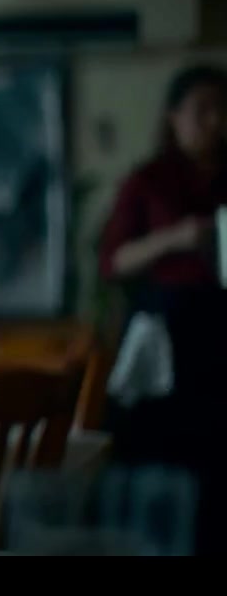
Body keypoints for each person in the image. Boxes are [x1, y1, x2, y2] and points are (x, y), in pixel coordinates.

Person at [97, 63, 227, 555]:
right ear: (174, 116)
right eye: (203, 109)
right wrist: (175, 237)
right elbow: (113, 260)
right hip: (168, 334)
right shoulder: (149, 180)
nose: (215, 121)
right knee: (161, 459)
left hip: (222, 332)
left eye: (222, 109)